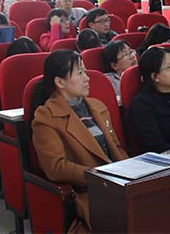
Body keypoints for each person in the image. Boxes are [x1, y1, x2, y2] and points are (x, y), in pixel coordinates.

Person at [30, 50, 128, 232]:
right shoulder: (46, 117)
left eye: (86, 71)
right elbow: (56, 168)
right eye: (80, 73)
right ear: (60, 82)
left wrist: (132, 172)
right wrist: (99, 176)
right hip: (91, 192)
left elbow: (116, 148)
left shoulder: (98, 106)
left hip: (120, 183)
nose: (87, 78)